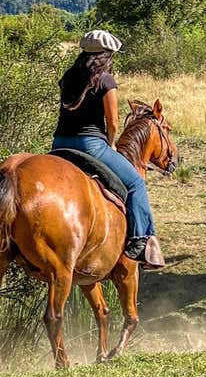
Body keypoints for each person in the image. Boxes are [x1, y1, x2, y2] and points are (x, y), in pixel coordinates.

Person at [52, 30, 165, 269]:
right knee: (135, 183)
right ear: (107, 55)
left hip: (59, 143)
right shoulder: (106, 80)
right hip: (90, 145)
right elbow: (113, 123)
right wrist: (111, 145)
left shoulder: (68, 77)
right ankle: (141, 241)